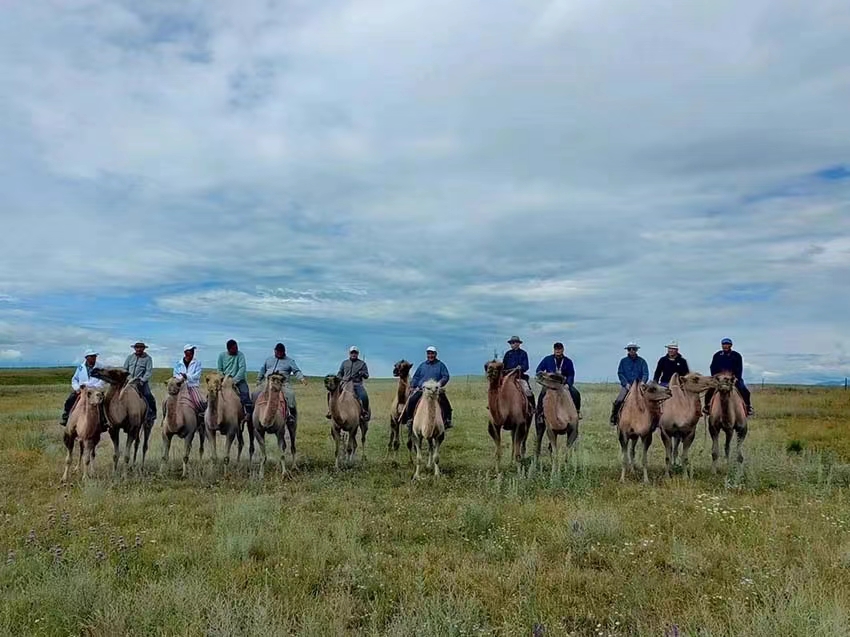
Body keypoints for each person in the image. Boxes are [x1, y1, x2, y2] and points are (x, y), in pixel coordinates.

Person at [400, 346, 452, 428]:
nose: (430, 355)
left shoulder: (441, 365)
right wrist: (413, 385)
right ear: (427, 355)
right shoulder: (422, 366)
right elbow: (416, 377)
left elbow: (446, 376)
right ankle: (410, 419)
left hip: (435, 390)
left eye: (432, 354)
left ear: (435, 354)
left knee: (445, 403)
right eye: (429, 354)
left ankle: (447, 420)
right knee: (412, 400)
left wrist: (439, 384)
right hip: (422, 390)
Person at [256, 343, 307, 424]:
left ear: (284, 352)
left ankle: (291, 415)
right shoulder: (269, 360)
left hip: (282, 383)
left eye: (281, 352)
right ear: (274, 351)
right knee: (255, 393)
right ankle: (253, 413)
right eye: (277, 352)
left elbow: (296, 371)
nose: (279, 354)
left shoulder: (290, 361)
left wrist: (302, 378)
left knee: (290, 395)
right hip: (267, 382)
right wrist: (259, 379)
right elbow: (263, 370)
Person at [704, 338, 753, 415]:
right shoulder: (717, 355)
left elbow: (739, 368)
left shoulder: (736, 356)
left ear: (731, 345)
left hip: (733, 378)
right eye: (724, 344)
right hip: (719, 379)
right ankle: (707, 407)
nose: (725, 346)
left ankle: (748, 407)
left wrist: (736, 377)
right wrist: (715, 376)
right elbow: (712, 367)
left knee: (744, 390)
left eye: (727, 344)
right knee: (710, 390)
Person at [59, 349, 107, 426]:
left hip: (95, 389)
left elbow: (103, 380)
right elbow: (75, 379)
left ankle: (104, 421)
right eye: (92, 356)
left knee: (102, 402)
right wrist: (77, 388)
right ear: (87, 357)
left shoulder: (101, 367)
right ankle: (66, 417)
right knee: (70, 399)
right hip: (82, 390)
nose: (94, 358)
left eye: (95, 356)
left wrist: (94, 386)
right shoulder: (80, 367)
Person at [535, 342, 581, 422]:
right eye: (556, 349)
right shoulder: (547, 359)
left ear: (563, 350)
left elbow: (571, 375)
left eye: (559, 349)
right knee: (542, 395)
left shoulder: (568, 361)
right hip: (550, 385)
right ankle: (539, 414)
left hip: (563, 385)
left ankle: (577, 412)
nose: (558, 351)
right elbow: (538, 370)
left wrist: (568, 384)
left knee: (575, 393)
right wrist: (545, 375)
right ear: (554, 350)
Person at [610, 342, 649, 426]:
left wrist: (643, 382)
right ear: (627, 350)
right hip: (627, 386)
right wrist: (625, 384)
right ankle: (614, 417)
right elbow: (620, 373)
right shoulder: (623, 361)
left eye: (633, 349)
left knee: (649, 401)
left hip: (639, 386)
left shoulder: (642, 361)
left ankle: (652, 420)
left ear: (636, 350)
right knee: (619, 400)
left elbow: (645, 373)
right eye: (629, 349)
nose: (631, 351)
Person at [328, 346, 370, 422]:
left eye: (355, 353)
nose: (354, 354)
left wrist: (362, 373)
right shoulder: (344, 363)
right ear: (349, 353)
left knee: (364, 396)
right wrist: (339, 378)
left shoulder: (362, 364)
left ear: (358, 354)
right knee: (330, 393)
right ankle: (330, 411)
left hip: (356, 384)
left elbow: (367, 375)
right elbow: (340, 372)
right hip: (344, 383)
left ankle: (365, 412)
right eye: (352, 352)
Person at [217, 339, 252, 420]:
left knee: (245, 393)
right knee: (214, 393)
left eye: (236, 347)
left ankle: (248, 413)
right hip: (225, 380)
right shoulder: (221, 356)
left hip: (239, 380)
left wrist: (235, 380)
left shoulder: (240, 355)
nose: (236, 349)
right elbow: (219, 369)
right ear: (228, 349)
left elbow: (242, 369)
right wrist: (223, 378)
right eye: (234, 348)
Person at [123, 341, 156, 425]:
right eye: (137, 347)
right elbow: (125, 369)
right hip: (129, 381)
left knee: (148, 394)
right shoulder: (130, 357)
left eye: (141, 347)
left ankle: (152, 413)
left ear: (144, 349)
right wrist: (128, 378)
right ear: (134, 348)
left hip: (140, 382)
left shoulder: (148, 358)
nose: (138, 349)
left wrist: (142, 380)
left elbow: (148, 371)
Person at [502, 335, 535, 413]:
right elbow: (504, 366)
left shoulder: (523, 353)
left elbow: (526, 366)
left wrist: (521, 367)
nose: (512, 344)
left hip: (519, 377)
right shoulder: (507, 354)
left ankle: (532, 407)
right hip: (508, 377)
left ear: (518, 344)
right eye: (511, 343)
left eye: (514, 343)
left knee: (527, 391)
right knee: (498, 389)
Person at [173, 344, 205, 418]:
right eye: (190, 351)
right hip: (180, 386)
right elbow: (175, 374)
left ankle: (202, 416)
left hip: (192, 386)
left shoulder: (197, 363)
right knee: (169, 401)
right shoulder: (178, 363)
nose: (192, 353)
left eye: (193, 351)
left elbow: (197, 376)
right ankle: (165, 418)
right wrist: (181, 379)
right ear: (185, 352)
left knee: (198, 401)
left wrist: (187, 376)